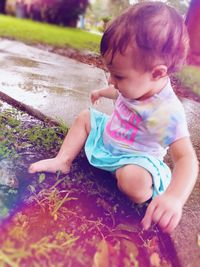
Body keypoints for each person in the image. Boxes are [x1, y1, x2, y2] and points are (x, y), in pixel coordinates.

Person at [28, 1, 199, 233]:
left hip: (135, 158)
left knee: (134, 182)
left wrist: (174, 198)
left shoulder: (164, 112)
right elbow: (119, 92)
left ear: (157, 73)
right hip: (110, 138)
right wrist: (103, 93)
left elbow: (186, 160)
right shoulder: (137, 83)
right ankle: (62, 160)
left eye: (118, 76)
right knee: (85, 117)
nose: (111, 80)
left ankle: (138, 183)